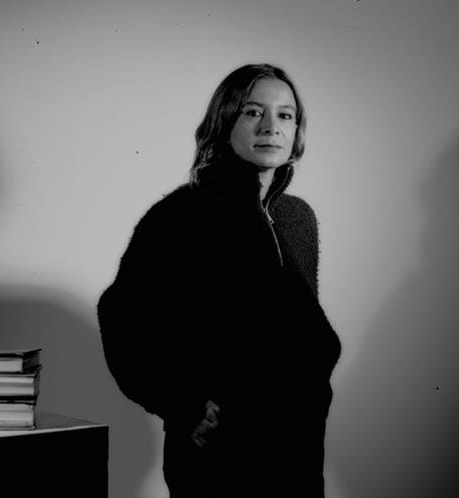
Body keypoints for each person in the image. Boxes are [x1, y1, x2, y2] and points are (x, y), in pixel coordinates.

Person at [97, 63, 342, 497]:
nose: (270, 126)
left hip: (300, 453)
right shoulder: (181, 215)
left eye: (285, 115)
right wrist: (182, 404)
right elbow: (120, 317)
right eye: (253, 112)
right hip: (220, 460)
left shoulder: (297, 218)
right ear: (224, 121)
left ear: (297, 130)